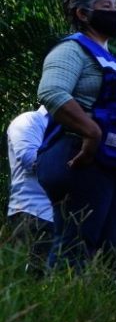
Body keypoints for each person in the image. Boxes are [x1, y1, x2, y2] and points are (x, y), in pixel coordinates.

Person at [36, 0, 116, 280]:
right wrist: (92, 132)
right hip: (82, 159)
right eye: (106, 6)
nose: (115, 12)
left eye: (115, 6)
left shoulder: (115, 61)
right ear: (82, 13)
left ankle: (102, 320)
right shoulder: (72, 50)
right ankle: (57, 317)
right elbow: (52, 92)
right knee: (75, 245)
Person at [6, 107, 55, 273]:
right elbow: (30, 160)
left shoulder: (69, 128)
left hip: (60, 217)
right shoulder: (31, 120)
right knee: (30, 278)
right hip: (34, 213)